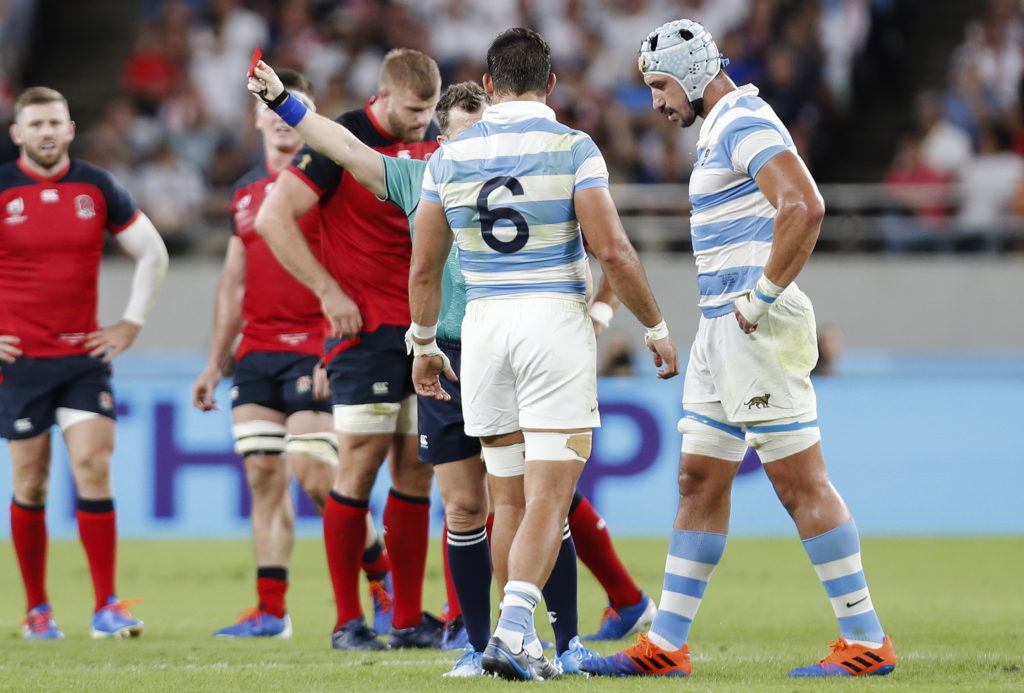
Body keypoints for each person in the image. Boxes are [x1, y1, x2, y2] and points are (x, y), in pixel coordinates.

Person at [248, 59, 657, 676]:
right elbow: (345, 146)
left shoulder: (525, 165)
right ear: (441, 140)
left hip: (508, 346)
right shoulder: (427, 175)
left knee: (533, 501)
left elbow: (607, 246)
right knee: (467, 507)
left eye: (480, 128)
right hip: (449, 353)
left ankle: (563, 641)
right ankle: (481, 640)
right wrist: (284, 103)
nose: (472, 144)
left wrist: (599, 314)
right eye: (460, 134)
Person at [582, 19, 897, 678]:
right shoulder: (723, 128)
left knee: (799, 484)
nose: (658, 103)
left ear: (694, 75)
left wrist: (761, 297)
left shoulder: (742, 121)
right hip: (719, 330)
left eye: (662, 86)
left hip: (754, 327)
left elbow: (804, 205)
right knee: (698, 480)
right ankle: (666, 644)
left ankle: (866, 639)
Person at [408, 27, 678, 681]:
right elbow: (612, 249)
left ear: (490, 85)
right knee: (551, 498)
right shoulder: (572, 146)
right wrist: (655, 323)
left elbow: (423, 268)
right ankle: (515, 630)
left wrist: (420, 343)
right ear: (551, 84)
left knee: (510, 500)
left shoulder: (448, 158)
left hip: (483, 332)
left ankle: (514, 634)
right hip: (551, 325)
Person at [190, 69, 391, 639]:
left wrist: (343, 345)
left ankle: (383, 581)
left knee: (314, 473)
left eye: (292, 108)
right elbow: (233, 283)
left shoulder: (327, 183)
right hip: (255, 352)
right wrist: (213, 361)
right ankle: (271, 610)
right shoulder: (246, 194)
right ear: (257, 119)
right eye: (271, 110)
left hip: (317, 347)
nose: (280, 119)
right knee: (262, 477)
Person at [254, 48, 442, 650]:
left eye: (431, 110)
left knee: (417, 469)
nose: (424, 121)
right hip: (362, 331)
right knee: (358, 464)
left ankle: (408, 619)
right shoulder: (344, 138)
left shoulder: (438, 138)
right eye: (415, 110)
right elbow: (273, 217)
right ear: (384, 98)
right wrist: (328, 290)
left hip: (425, 329)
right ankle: (347, 621)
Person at [0, 86, 169, 639]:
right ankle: (37, 610)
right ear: (17, 133)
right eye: (36, 124)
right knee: (31, 483)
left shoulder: (95, 186)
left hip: (82, 356)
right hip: (20, 360)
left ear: (70, 129)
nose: (46, 132)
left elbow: (153, 251)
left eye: (55, 122)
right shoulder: (3, 188)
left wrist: (130, 323)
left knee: (93, 467)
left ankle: (106, 607)